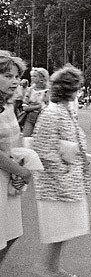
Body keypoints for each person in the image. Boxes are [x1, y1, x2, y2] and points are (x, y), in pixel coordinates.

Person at [31, 65, 90, 277]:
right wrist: (63, 173)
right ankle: (46, 268)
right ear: (71, 89)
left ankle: (52, 267)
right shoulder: (52, 113)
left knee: (65, 230)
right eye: (78, 87)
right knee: (58, 230)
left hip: (69, 183)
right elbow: (43, 150)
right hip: (56, 186)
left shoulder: (66, 111)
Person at [0, 51, 32, 267]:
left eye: (16, 76)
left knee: (11, 233)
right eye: (7, 76)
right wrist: (23, 172)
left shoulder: (7, 104)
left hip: (7, 179)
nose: (14, 81)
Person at [21, 67, 49, 137]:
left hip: (43, 119)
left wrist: (31, 107)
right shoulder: (30, 90)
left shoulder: (48, 91)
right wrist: (37, 106)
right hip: (30, 118)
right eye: (31, 76)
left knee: (40, 139)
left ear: (42, 78)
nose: (32, 78)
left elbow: (47, 106)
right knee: (26, 138)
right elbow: (25, 107)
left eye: (35, 76)